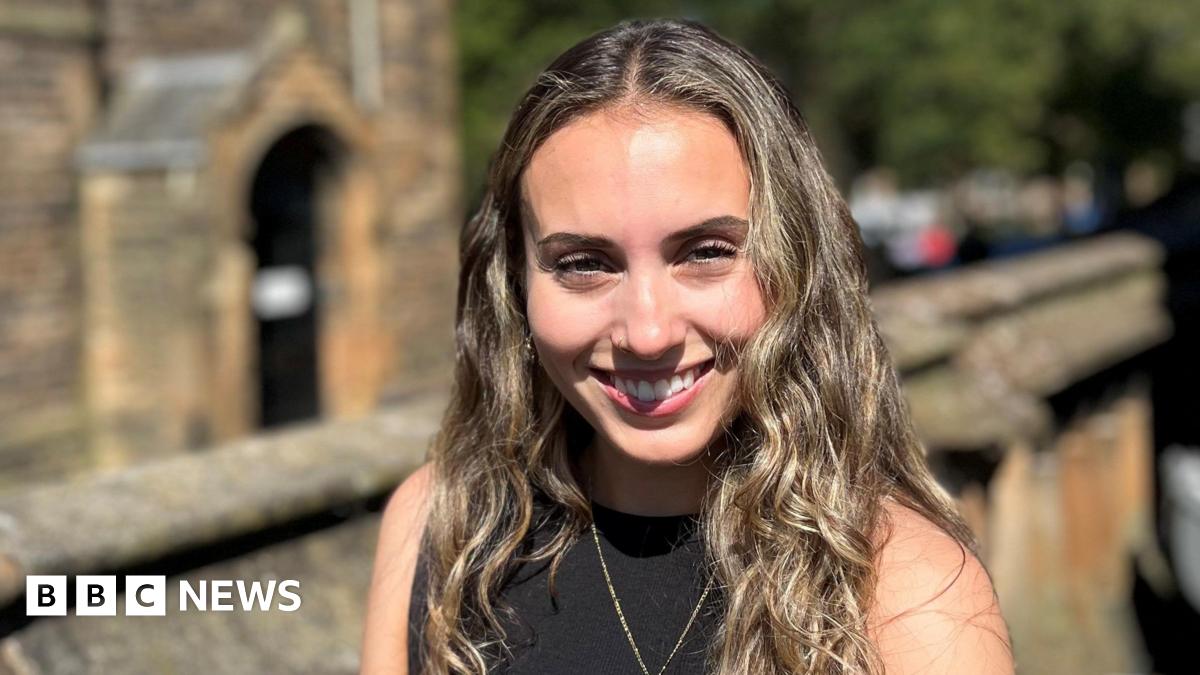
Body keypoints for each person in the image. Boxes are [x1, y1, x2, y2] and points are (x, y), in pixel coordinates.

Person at [361, 18, 1013, 675]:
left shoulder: (909, 598)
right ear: (515, 282)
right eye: (584, 263)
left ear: (799, 262)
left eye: (706, 253)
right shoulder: (441, 531)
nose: (647, 331)